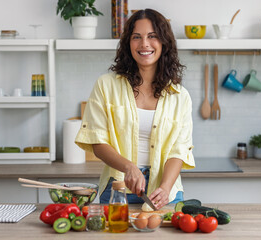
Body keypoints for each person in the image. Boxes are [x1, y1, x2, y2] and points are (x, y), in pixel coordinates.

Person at [75, 8, 195, 210]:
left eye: (152, 36)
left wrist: (165, 187)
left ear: (164, 43)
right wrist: (129, 167)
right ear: (128, 43)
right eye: (136, 37)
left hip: (165, 192)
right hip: (119, 188)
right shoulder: (106, 86)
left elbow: (179, 151)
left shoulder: (180, 95)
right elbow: (97, 141)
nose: (144, 44)